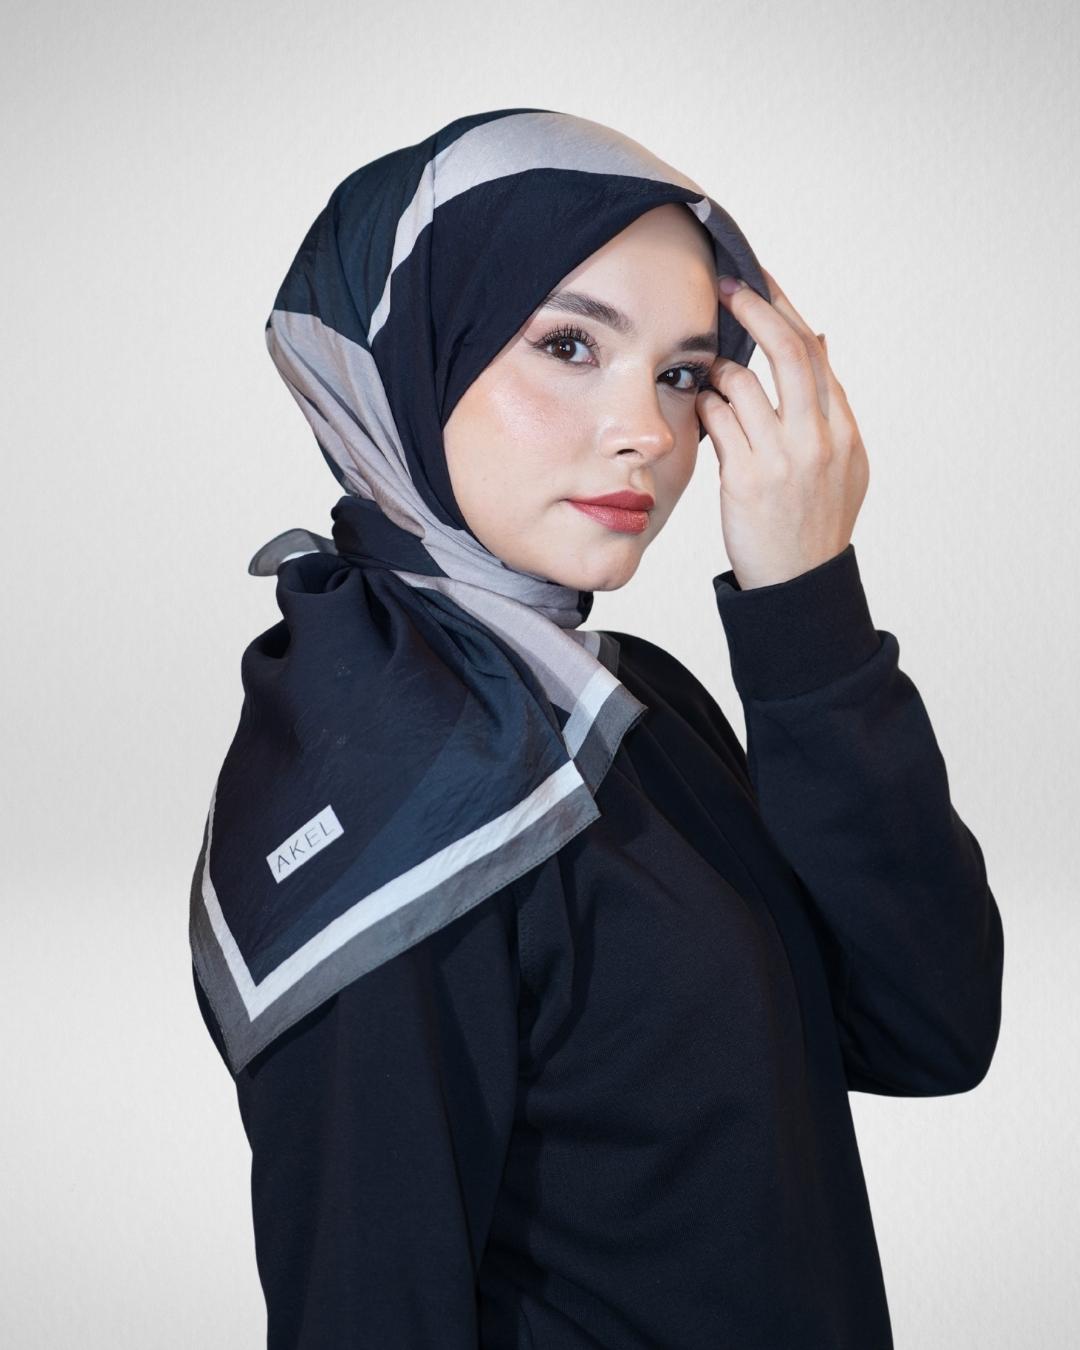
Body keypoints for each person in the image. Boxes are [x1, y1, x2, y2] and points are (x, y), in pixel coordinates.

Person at [189, 107, 1004, 1349]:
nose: (650, 433)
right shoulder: (391, 801)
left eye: (682, 373)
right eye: (570, 344)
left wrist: (806, 612)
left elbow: (929, 1026)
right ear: (413, 353)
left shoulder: (634, 706)